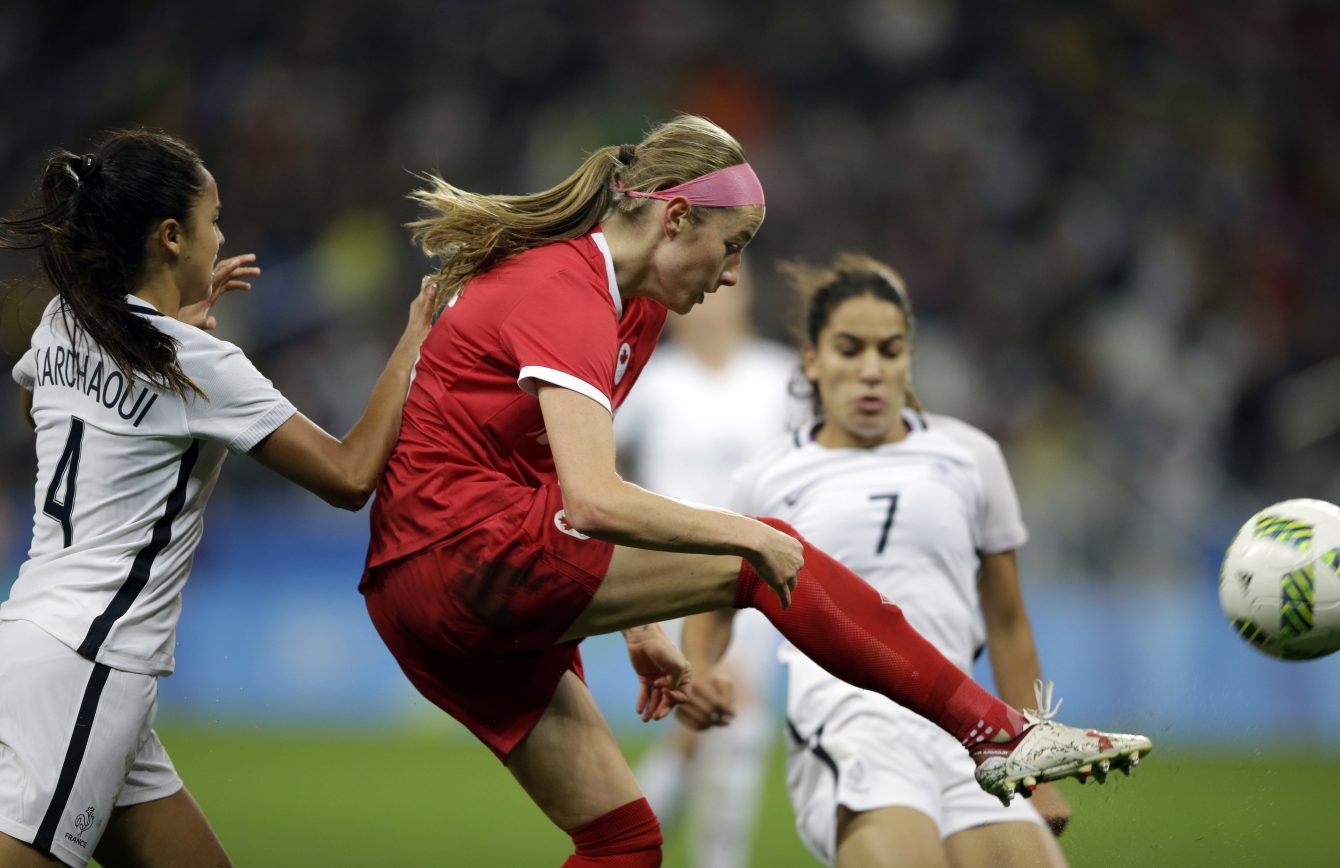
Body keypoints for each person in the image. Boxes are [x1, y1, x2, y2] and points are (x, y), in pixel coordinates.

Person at [361, 114, 1151, 867]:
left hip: (423, 584)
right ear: (673, 221)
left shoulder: (633, 306)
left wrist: (635, 625)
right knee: (768, 558)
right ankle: (996, 733)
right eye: (730, 246)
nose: (733, 274)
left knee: (624, 843)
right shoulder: (566, 293)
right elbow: (593, 499)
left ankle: (995, 734)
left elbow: (544, 466)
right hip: (462, 556)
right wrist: (746, 534)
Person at [0, 129, 436, 868]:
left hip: (35, 639)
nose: (223, 236)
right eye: (214, 218)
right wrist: (414, 340)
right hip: (92, 662)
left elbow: (39, 409)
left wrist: (171, 364)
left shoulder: (66, 322)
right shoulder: (197, 364)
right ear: (172, 237)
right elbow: (351, 474)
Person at [680, 253, 1073, 867]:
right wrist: (698, 667)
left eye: (889, 351)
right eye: (849, 349)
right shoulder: (766, 477)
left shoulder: (971, 458)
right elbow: (713, 597)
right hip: (848, 727)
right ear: (811, 359)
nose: (870, 370)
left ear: (908, 359)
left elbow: (1007, 622)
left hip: (966, 736)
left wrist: (1038, 769)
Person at [614, 268, 800, 868]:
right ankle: (645, 846)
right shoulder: (653, 382)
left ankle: (635, 844)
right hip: (668, 579)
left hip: (757, 577)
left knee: (727, 726)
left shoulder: (782, 378)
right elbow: (598, 462)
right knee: (704, 721)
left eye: (733, 290)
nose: (718, 306)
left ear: (748, 296)